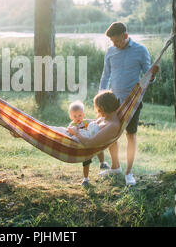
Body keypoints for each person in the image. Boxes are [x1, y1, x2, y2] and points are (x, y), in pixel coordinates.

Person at [98, 21, 158, 186]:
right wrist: (100, 95)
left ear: (125, 36)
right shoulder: (110, 52)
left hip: (132, 101)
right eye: (113, 42)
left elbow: (148, 76)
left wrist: (152, 77)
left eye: (117, 41)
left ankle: (128, 172)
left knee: (130, 135)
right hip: (113, 102)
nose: (115, 44)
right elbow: (105, 76)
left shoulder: (141, 50)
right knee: (110, 135)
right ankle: (115, 167)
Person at [67, 91, 122, 186]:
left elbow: (89, 143)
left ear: (103, 108)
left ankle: (114, 168)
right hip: (80, 132)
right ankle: (115, 168)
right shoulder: (107, 117)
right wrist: (76, 123)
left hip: (82, 141)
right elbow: (92, 122)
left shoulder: (112, 125)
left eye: (98, 109)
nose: (97, 111)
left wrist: (76, 133)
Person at [67, 100, 109, 187]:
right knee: (86, 161)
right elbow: (69, 131)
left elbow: (94, 122)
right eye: (75, 116)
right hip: (83, 146)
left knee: (99, 147)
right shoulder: (73, 124)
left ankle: (102, 163)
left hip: (91, 141)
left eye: (80, 115)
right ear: (71, 116)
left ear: (83, 114)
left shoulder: (86, 122)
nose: (78, 118)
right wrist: (73, 130)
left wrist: (101, 120)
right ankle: (85, 179)